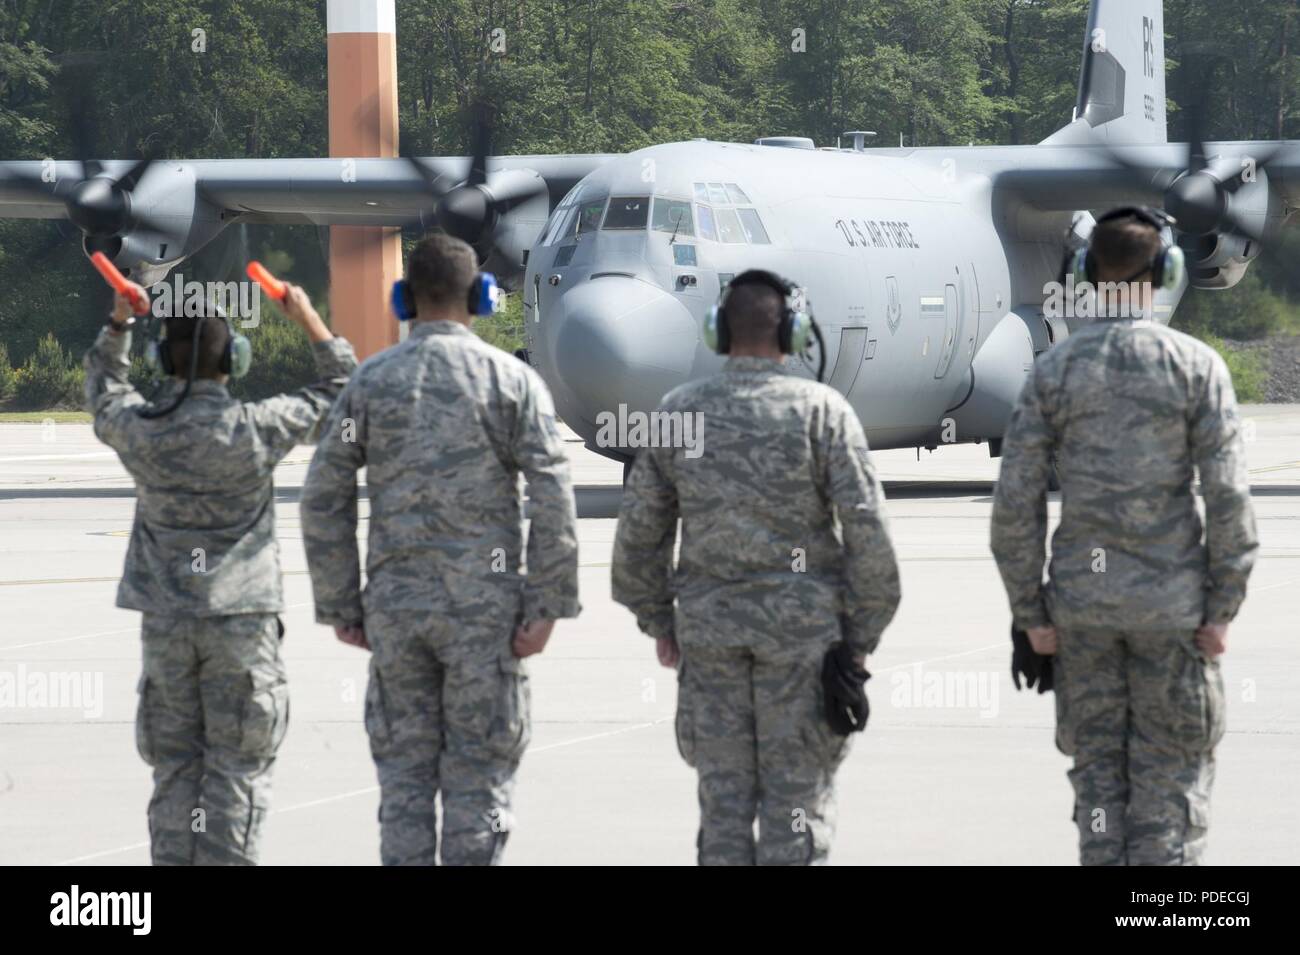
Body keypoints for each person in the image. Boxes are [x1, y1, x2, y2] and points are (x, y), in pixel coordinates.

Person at [300, 232, 580, 866]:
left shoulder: (370, 382)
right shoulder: (513, 382)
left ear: (403, 299)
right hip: (487, 616)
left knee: (403, 785)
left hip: (396, 616)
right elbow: (552, 493)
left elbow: (323, 495)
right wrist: (547, 604)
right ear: (480, 298)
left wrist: (344, 603)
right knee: (479, 783)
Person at [991, 206, 1259, 865]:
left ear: (1086, 271)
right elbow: (1229, 501)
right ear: (1166, 270)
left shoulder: (1053, 371)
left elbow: (1015, 505)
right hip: (1174, 616)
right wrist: (1221, 610)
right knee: (1170, 796)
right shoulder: (1194, 367)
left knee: (1100, 791)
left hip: (1083, 616)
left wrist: (1032, 614)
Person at [611, 269, 900, 865]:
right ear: (793, 335)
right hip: (805, 642)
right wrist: (860, 639)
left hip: (709, 638)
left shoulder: (678, 413)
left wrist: (660, 623)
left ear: (719, 331)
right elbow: (869, 534)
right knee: (796, 807)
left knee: (722, 807)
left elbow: (638, 538)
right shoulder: (823, 413)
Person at [84, 282, 357, 865]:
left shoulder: (143, 430)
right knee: (237, 770)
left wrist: (118, 326)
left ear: (163, 362)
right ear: (236, 360)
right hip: (242, 624)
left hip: (167, 625)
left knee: (174, 768)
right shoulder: (257, 427)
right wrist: (310, 320)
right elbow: (341, 395)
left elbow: (104, 394)